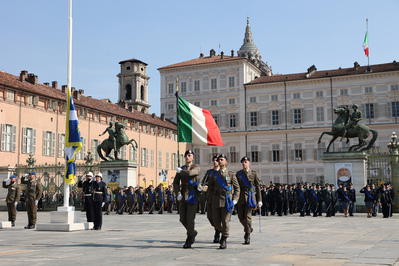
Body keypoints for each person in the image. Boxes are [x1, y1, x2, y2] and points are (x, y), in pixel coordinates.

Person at [208, 154, 240, 249]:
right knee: (216, 221)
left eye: (222, 159)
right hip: (216, 200)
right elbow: (210, 187)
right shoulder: (214, 174)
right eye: (219, 160)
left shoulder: (231, 174)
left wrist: (235, 199)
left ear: (226, 162)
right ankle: (222, 232)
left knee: (225, 221)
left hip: (227, 201)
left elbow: (237, 188)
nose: (220, 161)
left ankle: (224, 238)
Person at [173, 150, 201, 249]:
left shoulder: (196, 167)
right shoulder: (180, 169)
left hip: (192, 195)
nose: (187, 157)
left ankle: (189, 238)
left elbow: (190, 173)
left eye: (189, 156)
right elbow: (175, 183)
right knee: (182, 219)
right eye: (186, 156)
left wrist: (181, 171)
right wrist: (178, 193)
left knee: (190, 219)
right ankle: (192, 232)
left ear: (193, 158)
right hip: (183, 195)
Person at [236, 156, 261, 245]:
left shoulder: (254, 173)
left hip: (250, 197)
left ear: (249, 163)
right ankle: (249, 228)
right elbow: (236, 187)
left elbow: (258, 187)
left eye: (246, 162)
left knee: (247, 216)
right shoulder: (238, 174)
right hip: (241, 197)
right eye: (243, 162)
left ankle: (247, 234)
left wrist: (259, 200)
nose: (244, 164)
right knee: (240, 217)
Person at [201, 155, 220, 243]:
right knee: (209, 217)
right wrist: (202, 187)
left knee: (217, 217)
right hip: (210, 196)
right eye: (214, 160)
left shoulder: (223, 172)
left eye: (216, 160)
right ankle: (218, 228)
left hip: (219, 197)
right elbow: (203, 182)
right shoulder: (209, 172)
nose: (215, 162)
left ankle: (217, 233)